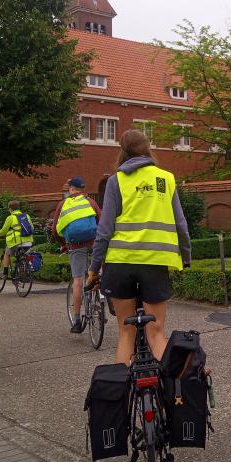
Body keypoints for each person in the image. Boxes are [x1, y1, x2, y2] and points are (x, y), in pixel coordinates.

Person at [86, 129, 191, 364]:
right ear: (148, 149)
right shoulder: (166, 178)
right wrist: (186, 256)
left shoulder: (116, 181)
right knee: (156, 332)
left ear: (122, 152)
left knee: (126, 332)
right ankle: (170, 394)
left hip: (120, 263)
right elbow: (180, 224)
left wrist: (94, 269)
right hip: (155, 262)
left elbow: (104, 231)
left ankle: (123, 394)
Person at [52, 177, 101, 333]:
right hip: (94, 244)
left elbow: (55, 230)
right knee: (99, 273)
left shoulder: (63, 204)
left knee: (78, 281)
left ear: (71, 189)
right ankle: (106, 298)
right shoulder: (91, 202)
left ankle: (77, 321)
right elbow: (103, 221)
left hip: (76, 246)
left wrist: (63, 245)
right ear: (83, 189)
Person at [0, 200, 34, 281]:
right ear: (19, 208)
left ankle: (5, 273)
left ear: (10, 209)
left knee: (7, 253)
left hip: (16, 243)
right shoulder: (27, 216)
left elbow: (3, 231)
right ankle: (23, 269)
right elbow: (32, 228)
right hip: (28, 242)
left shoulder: (10, 218)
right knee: (21, 256)